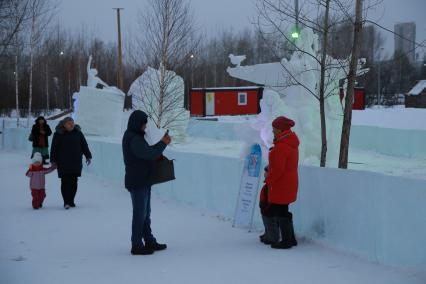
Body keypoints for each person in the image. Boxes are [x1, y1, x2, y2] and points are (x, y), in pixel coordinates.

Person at [122, 110, 171, 255]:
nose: (145, 126)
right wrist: (163, 143)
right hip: (138, 181)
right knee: (140, 214)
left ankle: (149, 240)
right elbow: (149, 154)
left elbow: (148, 151)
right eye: (144, 123)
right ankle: (136, 245)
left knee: (145, 213)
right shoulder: (134, 138)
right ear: (138, 123)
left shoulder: (134, 135)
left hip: (142, 180)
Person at [264, 116, 299, 249]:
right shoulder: (290, 142)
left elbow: (278, 170)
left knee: (280, 212)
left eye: (274, 128)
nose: (273, 131)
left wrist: (268, 179)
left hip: (282, 184)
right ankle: (290, 238)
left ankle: (286, 241)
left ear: (280, 129)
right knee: (284, 210)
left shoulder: (282, 146)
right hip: (289, 183)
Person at [50, 117, 92, 209]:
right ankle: (66, 202)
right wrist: (53, 160)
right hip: (62, 162)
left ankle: (71, 200)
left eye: (72, 123)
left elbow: (84, 145)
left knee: (74, 181)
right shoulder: (58, 134)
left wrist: (88, 156)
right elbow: (54, 148)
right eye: (69, 123)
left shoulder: (78, 133)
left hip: (76, 162)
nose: (72, 125)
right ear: (64, 124)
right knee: (65, 182)